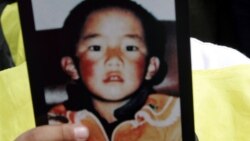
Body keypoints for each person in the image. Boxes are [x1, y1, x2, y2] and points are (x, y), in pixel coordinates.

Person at [47, 0, 181, 141]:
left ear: (150, 67)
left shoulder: (174, 116)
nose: (114, 59)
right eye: (96, 48)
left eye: (130, 48)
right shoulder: (57, 121)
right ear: (72, 66)